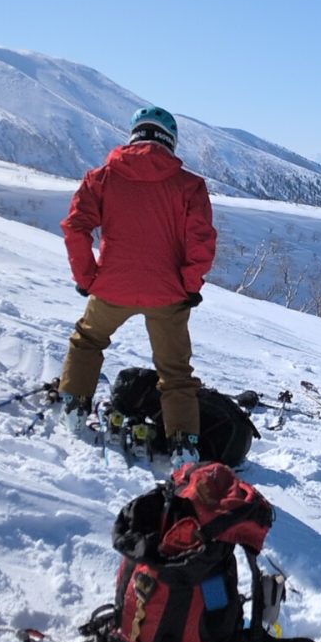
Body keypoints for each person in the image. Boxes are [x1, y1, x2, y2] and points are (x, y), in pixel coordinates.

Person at [58, 106, 217, 464]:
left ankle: (73, 405)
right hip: (168, 293)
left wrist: (87, 278)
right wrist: (189, 285)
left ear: (135, 135)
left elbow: (76, 227)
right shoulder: (190, 186)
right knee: (175, 372)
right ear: (169, 141)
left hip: (112, 286)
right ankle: (183, 444)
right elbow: (202, 240)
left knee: (88, 340)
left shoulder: (101, 178)